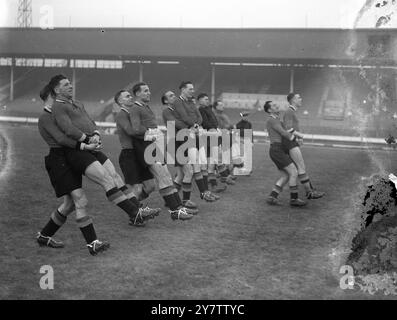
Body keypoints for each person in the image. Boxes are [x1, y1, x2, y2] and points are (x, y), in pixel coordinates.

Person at [49, 75, 158, 227]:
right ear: (56, 89)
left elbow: (90, 122)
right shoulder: (58, 107)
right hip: (80, 150)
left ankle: (137, 211)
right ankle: (135, 213)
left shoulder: (77, 103)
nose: (71, 86)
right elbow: (68, 129)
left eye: (70, 83)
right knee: (107, 180)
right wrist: (87, 140)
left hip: (93, 147)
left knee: (115, 177)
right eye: (66, 84)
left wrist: (96, 134)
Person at [37, 85, 110, 255]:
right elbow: (62, 139)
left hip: (70, 158)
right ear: (50, 95)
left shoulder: (59, 113)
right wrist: (86, 145)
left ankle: (44, 235)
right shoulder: (45, 117)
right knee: (80, 199)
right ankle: (92, 243)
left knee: (69, 204)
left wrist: (92, 136)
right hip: (58, 161)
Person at [124, 82, 196, 220]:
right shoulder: (135, 108)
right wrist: (152, 132)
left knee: (166, 177)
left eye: (149, 90)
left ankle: (179, 208)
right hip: (145, 148)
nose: (149, 93)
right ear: (137, 93)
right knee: (163, 177)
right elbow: (136, 129)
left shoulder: (146, 107)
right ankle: (175, 211)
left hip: (153, 147)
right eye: (145, 91)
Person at [172, 81, 219, 202]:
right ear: (182, 89)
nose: (193, 91)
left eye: (193, 89)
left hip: (194, 134)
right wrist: (194, 125)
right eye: (190, 89)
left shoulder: (190, 102)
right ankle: (201, 193)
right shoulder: (178, 101)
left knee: (197, 166)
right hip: (184, 137)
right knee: (190, 169)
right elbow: (184, 117)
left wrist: (196, 125)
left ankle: (202, 193)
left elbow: (199, 117)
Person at [281, 93, 324, 200]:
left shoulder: (291, 111)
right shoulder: (289, 111)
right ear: (292, 100)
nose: (301, 99)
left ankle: (309, 191)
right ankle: (309, 192)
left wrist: (298, 138)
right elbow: (288, 128)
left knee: (296, 169)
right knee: (301, 167)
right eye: (299, 97)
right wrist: (301, 136)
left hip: (290, 142)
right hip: (289, 143)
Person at [161, 90, 199, 210]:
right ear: (166, 101)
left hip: (181, 143)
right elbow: (177, 124)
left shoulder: (176, 111)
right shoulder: (167, 111)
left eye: (174, 95)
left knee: (181, 174)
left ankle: (171, 200)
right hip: (175, 144)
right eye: (171, 96)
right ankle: (186, 200)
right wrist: (190, 126)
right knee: (189, 171)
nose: (174, 97)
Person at [264, 101, 307, 207]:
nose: (277, 105)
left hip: (277, 150)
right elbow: (283, 133)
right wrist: (297, 137)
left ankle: (272, 196)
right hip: (277, 150)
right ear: (269, 110)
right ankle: (294, 199)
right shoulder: (272, 120)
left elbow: (286, 130)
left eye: (276, 104)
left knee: (285, 175)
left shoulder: (276, 119)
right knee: (294, 172)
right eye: (273, 105)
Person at [197, 93, 227, 194]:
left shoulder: (208, 109)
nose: (207, 100)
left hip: (212, 135)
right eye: (205, 99)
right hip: (208, 136)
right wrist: (214, 129)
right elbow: (205, 123)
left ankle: (213, 185)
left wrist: (216, 128)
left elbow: (213, 121)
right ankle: (224, 177)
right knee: (206, 163)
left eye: (208, 99)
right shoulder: (201, 109)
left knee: (211, 162)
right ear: (200, 100)